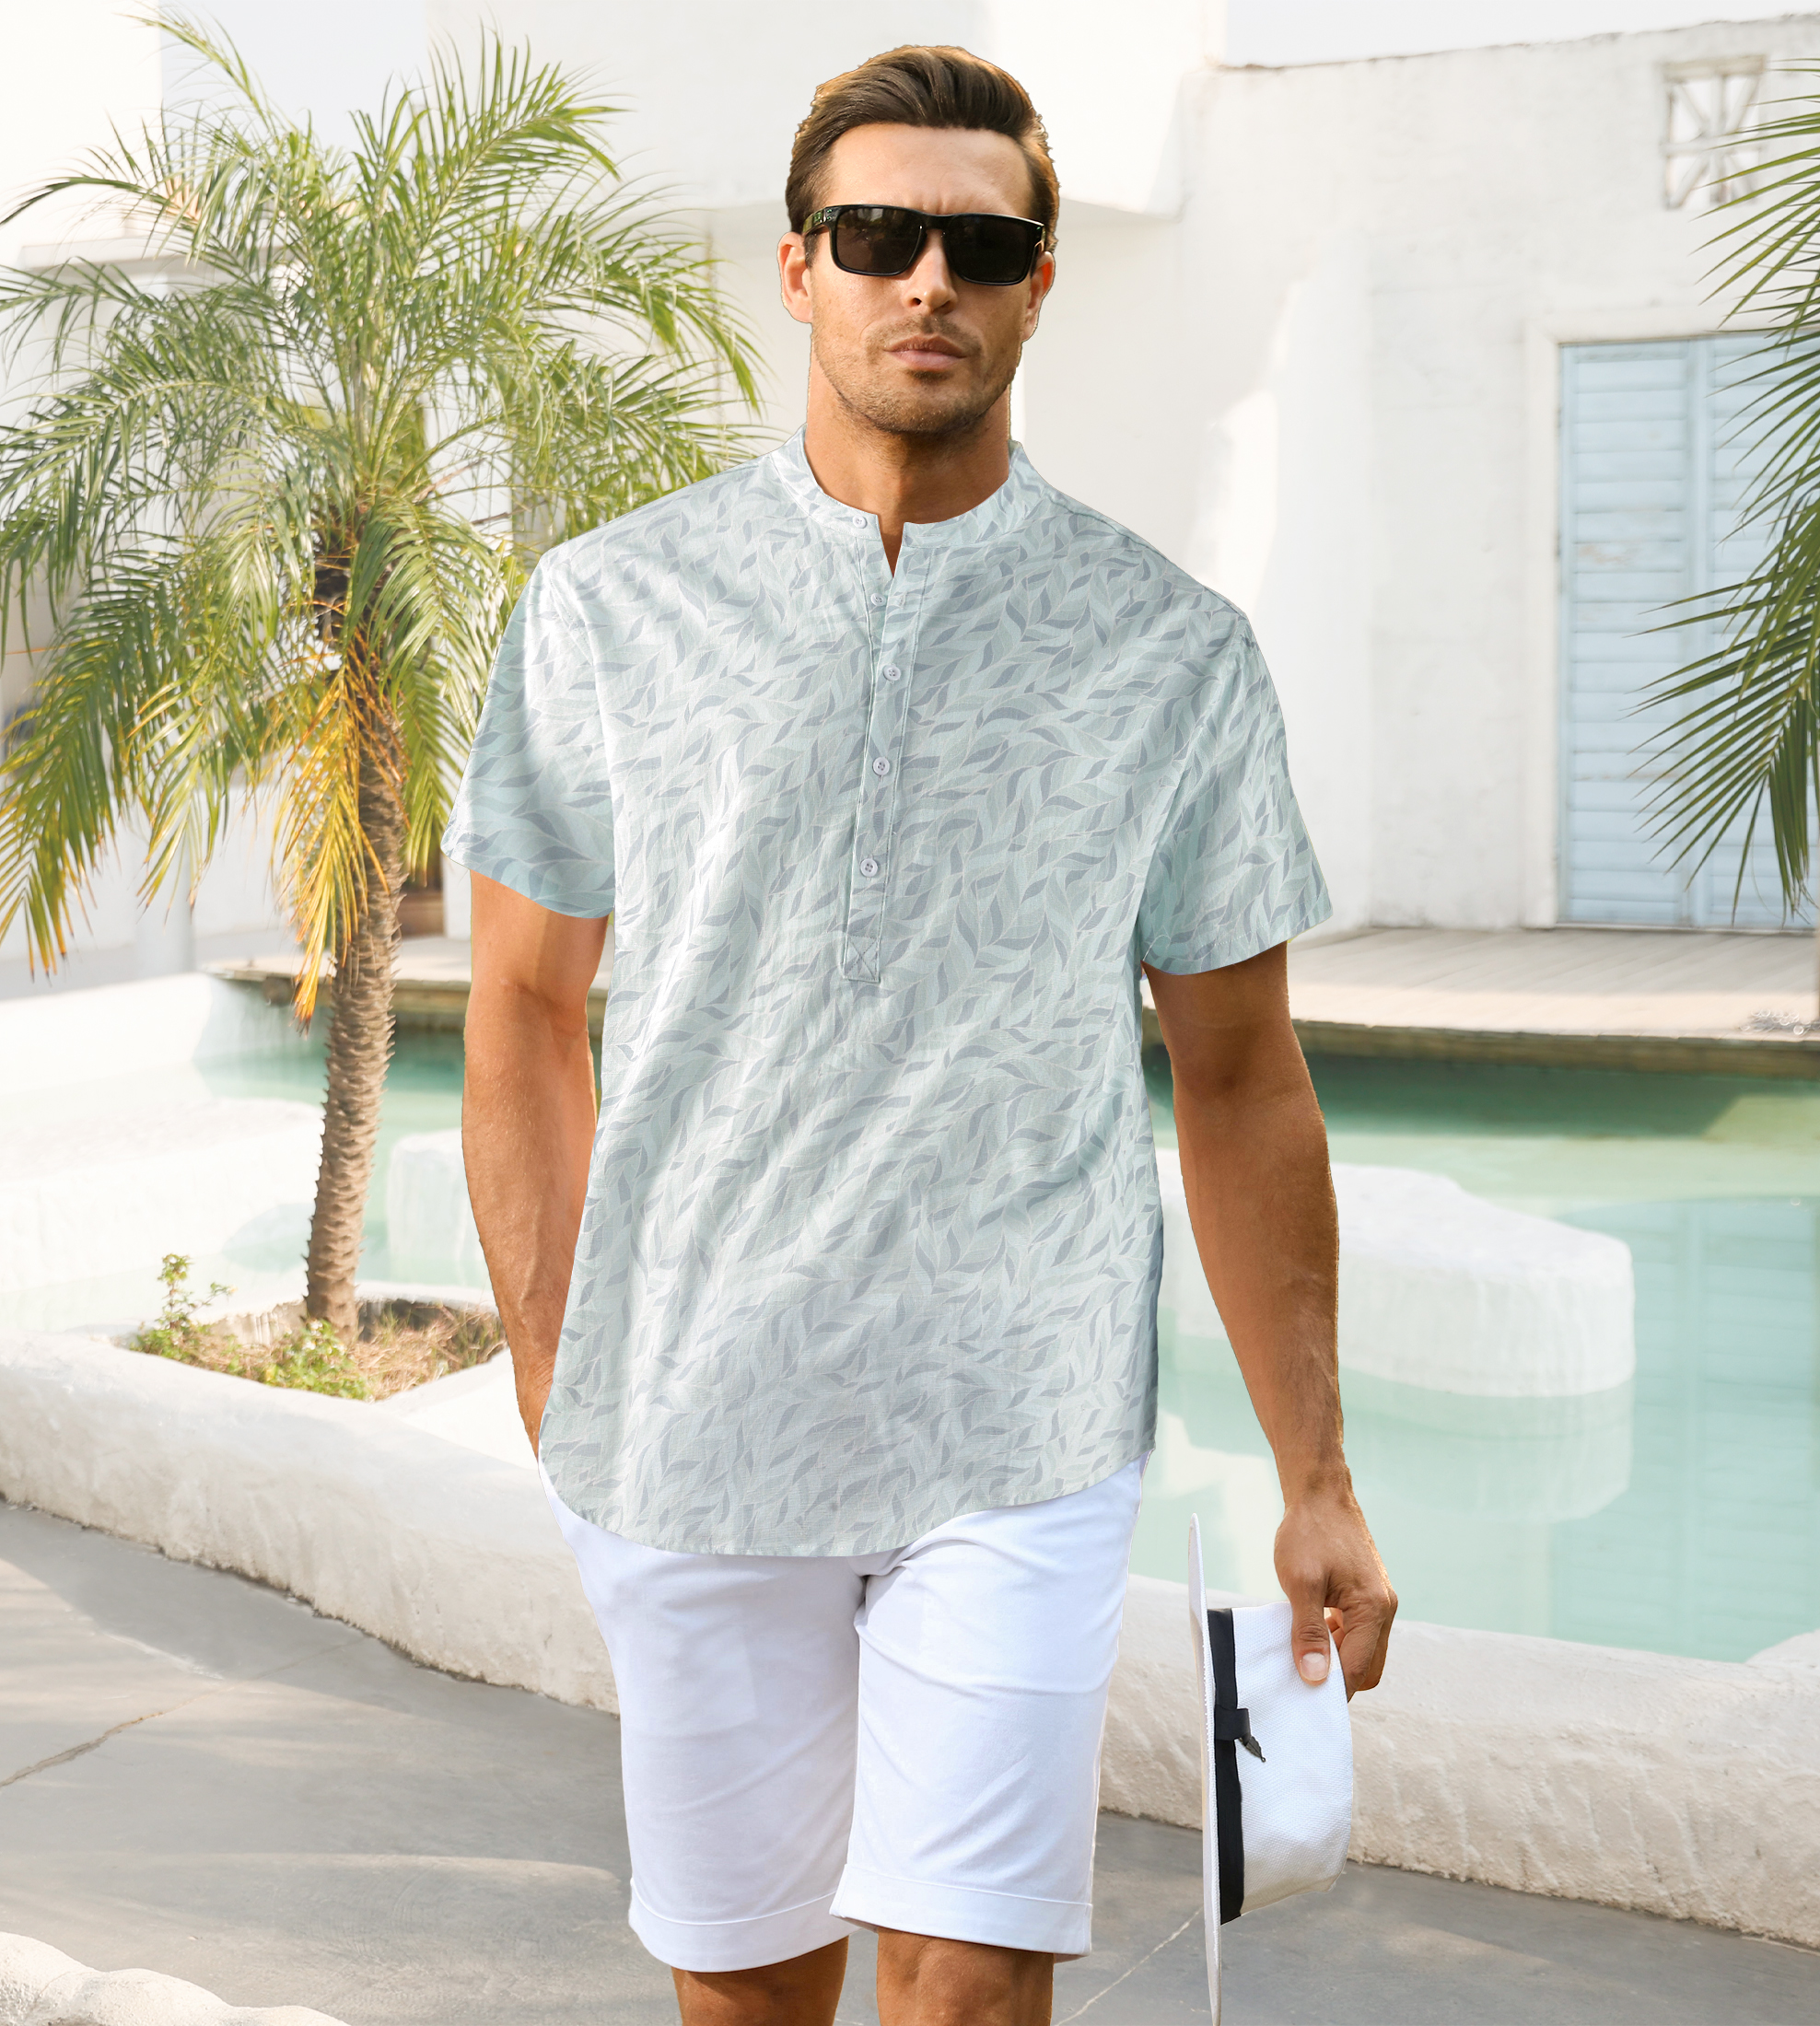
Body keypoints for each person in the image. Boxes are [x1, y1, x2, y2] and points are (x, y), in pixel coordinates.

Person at [445, 43, 1396, 2026]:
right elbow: (525, 1006)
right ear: (799, 267)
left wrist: (1316, 1469)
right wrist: (556, 1361)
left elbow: (1239, 1075)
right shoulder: (609, 609)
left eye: (980, 243)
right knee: (748, 1990)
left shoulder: (1171, 654)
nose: (927, 280)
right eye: (877, 235)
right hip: (695, 1410)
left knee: (965, 1983)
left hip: (1017, 1419)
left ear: (1042, 281)